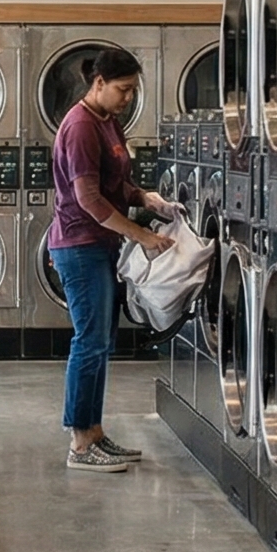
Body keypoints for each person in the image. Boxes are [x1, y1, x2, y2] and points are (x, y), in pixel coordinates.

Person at [47, 47, 175, 471]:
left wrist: (145, 198)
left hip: (99, 244)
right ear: (98, 82)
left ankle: (95, 432)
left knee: (100, 342)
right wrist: (141, 235)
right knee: (89, 342)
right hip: (78, 246)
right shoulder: (81, 126)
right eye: (122, 90)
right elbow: (88, 199)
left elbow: (117, 181)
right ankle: (81, 443)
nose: (127, 98)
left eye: (133, 91)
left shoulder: (107, 121)